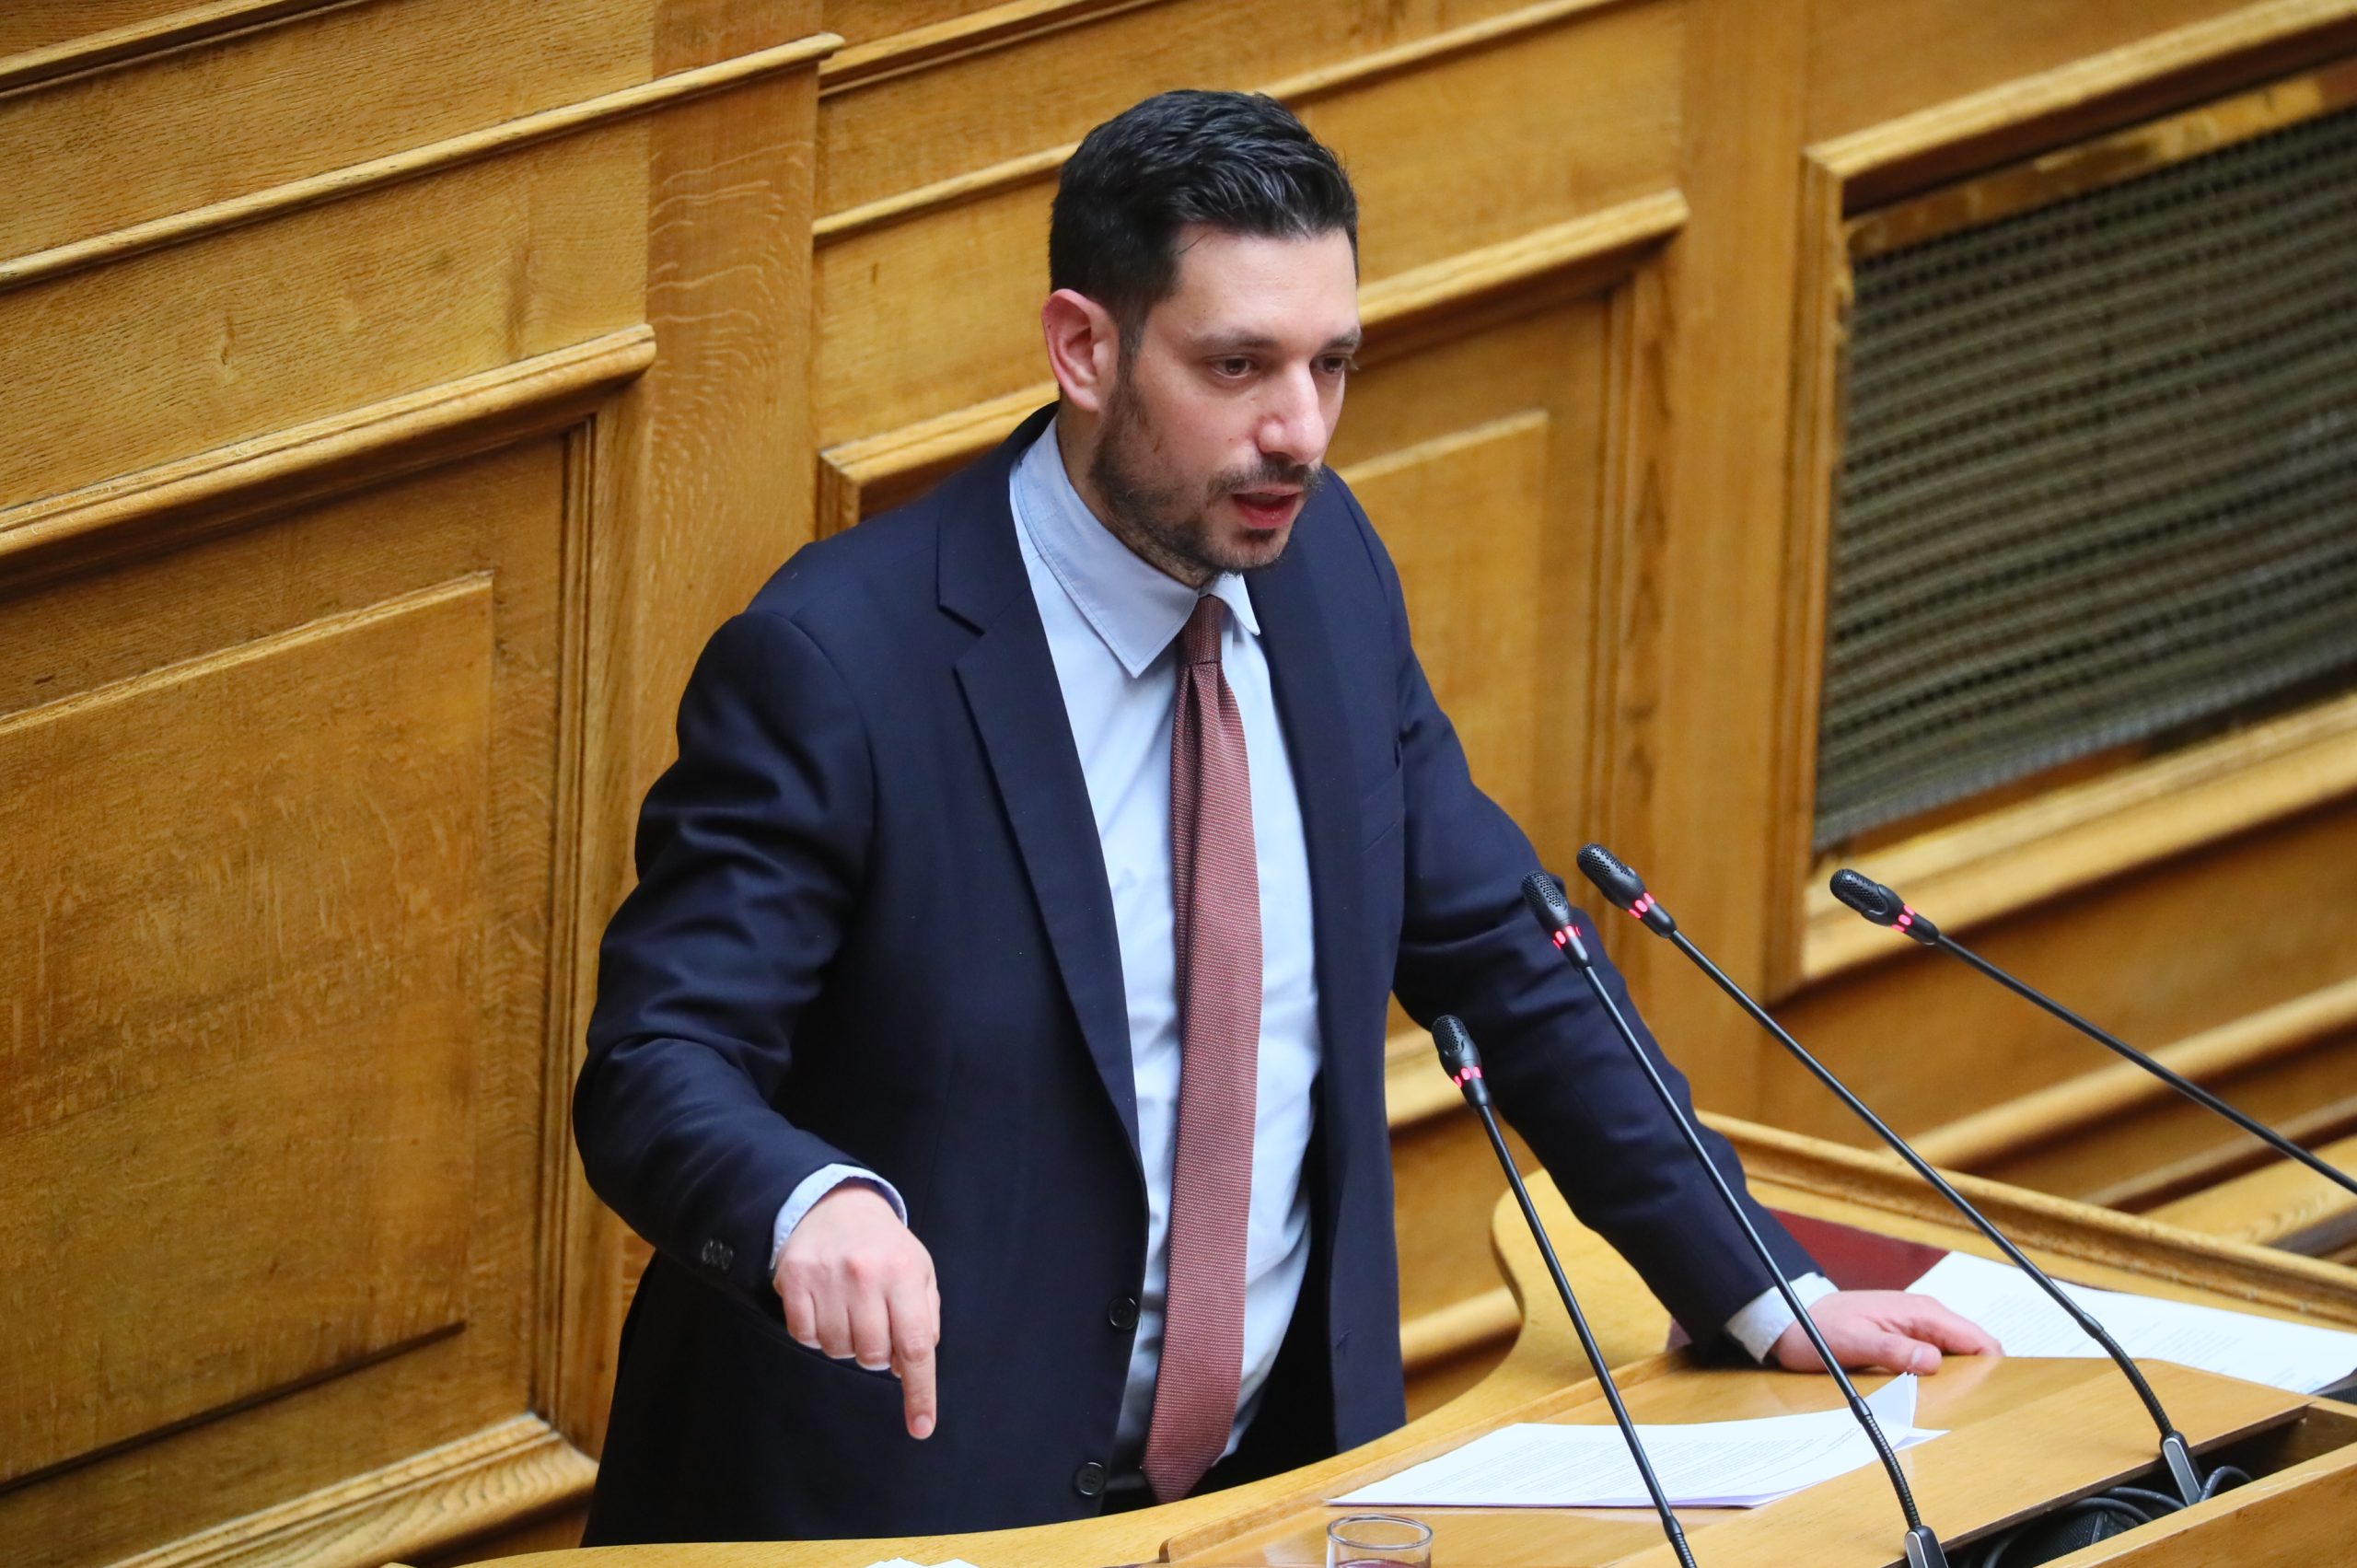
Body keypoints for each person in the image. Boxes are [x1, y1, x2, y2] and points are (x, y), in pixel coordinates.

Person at [572, 88, 1994, 1545]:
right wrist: (809, 1203)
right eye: (1239, 366)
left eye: (1333, 365)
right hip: (912, 1513)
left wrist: (1764, 1288)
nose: (1299, 432)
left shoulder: (1324, 574)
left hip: (1274, 1500)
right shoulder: (841, 663)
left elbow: (1507, 959)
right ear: (1084, 349)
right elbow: (655, 1062)